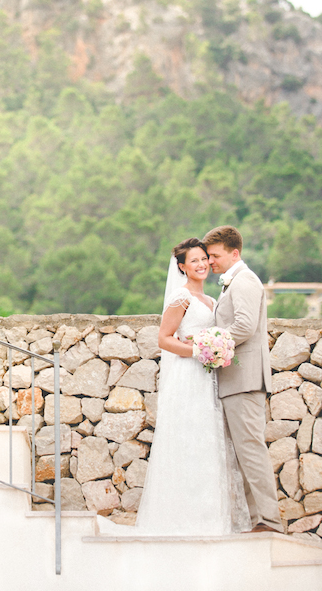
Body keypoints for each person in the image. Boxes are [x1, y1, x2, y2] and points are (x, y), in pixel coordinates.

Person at [99, 237, 250, 536]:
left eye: (204, 258)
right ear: (182, 267)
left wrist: (212, 349)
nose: (202, 264)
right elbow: (164, 339)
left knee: (209, 441)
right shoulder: (181, 298)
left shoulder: (211, 300)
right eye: (194, 260)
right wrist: (198, 351)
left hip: (209, 377)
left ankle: (211, 518)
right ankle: (182, 520)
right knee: (188, 439)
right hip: (188, 375)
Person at [203, 225, 284, 534]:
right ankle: (258, 521)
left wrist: (211, 345)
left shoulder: (245, 280)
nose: (211, 262)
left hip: (245, 378)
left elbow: (245, 326)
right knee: (243, 452)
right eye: (209, 256)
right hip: (235, 379)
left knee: (251, 450)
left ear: (234, 253)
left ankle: (270, 521)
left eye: (215, 256)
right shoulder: (231, 283)